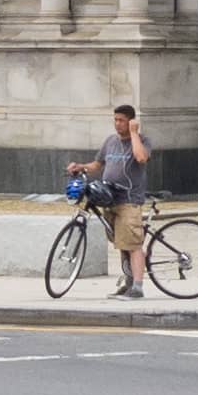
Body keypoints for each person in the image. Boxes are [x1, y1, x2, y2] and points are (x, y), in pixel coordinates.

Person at [69, 104, 153, 300]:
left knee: (133, 244)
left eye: (121, 120)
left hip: (129, 200)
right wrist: (81, 166)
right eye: (115, 120)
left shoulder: (142, 141)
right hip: (110, 199)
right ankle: (128, 282)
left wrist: (133, 133)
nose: (117, 124)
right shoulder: (110, 142)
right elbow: (98, 164)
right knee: (122, 243)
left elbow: (141, 157)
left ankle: (138, 288)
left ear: (131, 121)